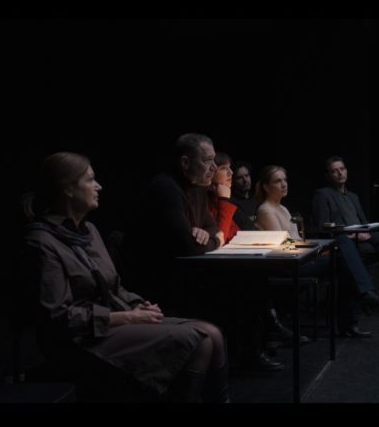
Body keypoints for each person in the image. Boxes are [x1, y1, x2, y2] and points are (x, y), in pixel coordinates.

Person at [21, 152, 230, 402]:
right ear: (68, 189)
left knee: (213, 333)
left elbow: (114, 286)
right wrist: (127, 316)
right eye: (90, 180)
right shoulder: (42, 242)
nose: (99, 186)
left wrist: (136, 304)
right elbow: (59, 318)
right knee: (200, 341)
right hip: (82, 339)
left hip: (113, 321)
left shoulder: (89, 231)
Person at [124, 133, 282, 372]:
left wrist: (209, 234)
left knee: (251, 278)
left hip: (188, 270)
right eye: (208, 161)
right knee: (243, 284)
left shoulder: (197, 188)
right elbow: (190, 247)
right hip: (162, 280)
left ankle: (249, 351)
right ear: (185, 162)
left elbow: (212, 227)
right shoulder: (166, 188)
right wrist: (214, 238)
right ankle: (243, 355)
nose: (214, 168)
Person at [252, 164, 379, 337]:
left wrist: (315, 247)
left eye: (285, 180)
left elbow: (296, 240)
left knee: (344, 256)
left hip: (299, 258)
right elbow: (283, 245)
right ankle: (360, 304)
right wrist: (316, 248)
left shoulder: (282, 208)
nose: (284, 184)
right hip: (288, 265)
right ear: (266, 186)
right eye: (278, 181)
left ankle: (357, 311)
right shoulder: (266, 210)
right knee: (343, 253)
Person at [208, 154, 309, 348]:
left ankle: (268, 332)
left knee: (255, 276)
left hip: (244, 257)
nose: (230, 173)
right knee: (254, 278)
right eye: (224, 168)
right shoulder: (224, 203)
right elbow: (221, 235)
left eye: (285, 180)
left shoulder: (280, 208)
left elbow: (248, 231)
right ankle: (267, 334)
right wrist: (224, 201)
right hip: (224, 264)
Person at [312, 156, 379, 298]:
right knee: (377, 250)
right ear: (328, 176)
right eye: (334, 171)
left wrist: (366, 230)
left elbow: (363, 221)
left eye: (342, 169)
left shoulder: (353, 196)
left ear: (346, 171)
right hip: (344, 241)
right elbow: (323, 227)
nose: (340, 173)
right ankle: (378, 295)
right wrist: (353, 234)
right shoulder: (323, 194)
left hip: (361, 237)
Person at [231, 160, 259, 228]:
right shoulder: (232, 203)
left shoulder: (257, 199)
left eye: (247, 175)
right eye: (239, 178)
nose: (245, 180)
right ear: (233, 181)